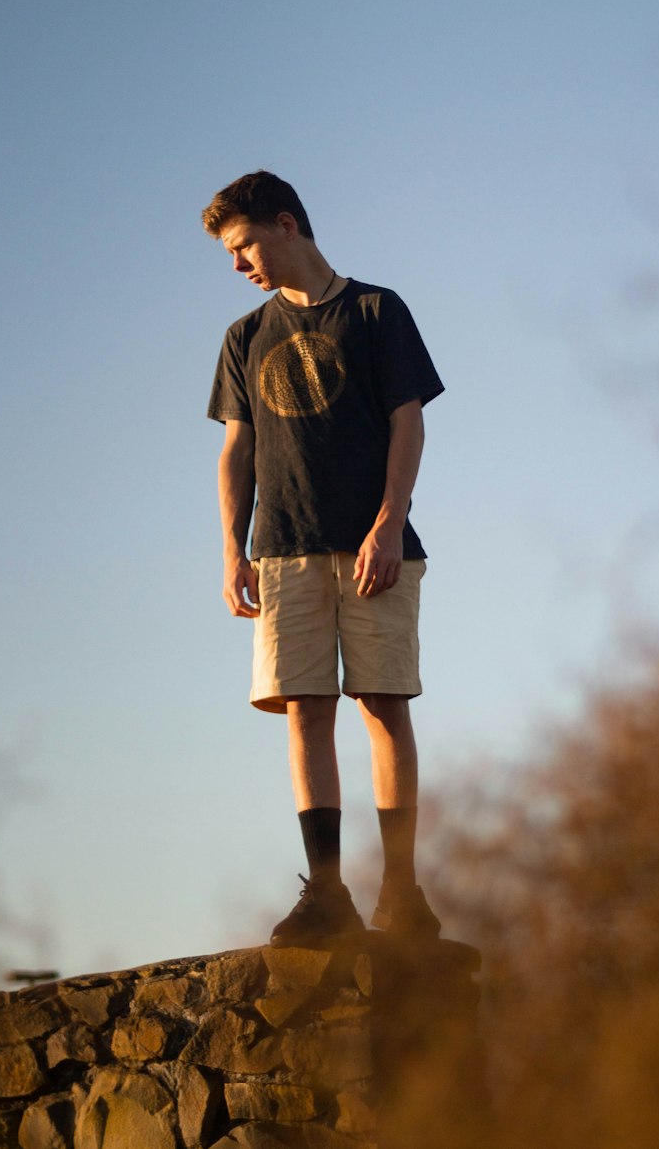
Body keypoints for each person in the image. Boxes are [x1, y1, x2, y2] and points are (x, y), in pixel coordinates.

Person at [204, 170, 444, 948]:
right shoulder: (244, 338)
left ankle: (402, 891)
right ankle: (328, 893)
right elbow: (236, 450)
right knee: (305, 712)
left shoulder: (377, 310)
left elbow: (409, 425)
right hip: (284, 552)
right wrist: (232, 549)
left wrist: (387, 523)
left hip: (375, 545)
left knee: (383, 704)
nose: (241, 264)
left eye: (245, 246)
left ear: (286, 224)